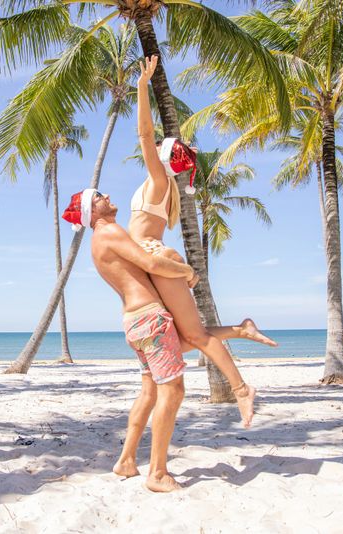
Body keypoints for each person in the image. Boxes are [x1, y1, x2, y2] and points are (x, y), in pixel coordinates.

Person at [130, 55, 277, 428]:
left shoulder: (160, 182)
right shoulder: (165, 188)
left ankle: (242, 389)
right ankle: (241, 329)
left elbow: (144, 134)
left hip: (155, 257)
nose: (154, 147)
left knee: (192, 334)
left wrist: (142, 88)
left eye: (160, 149)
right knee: (181, 340)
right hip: (153, 259)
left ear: (162, 159)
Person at [62, 188, 196, 492]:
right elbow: (152, 264)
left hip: (135, 321)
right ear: (92, 213)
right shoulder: (109, 231)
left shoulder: (99, 241)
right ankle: (158, 473)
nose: (107, 195)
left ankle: (126, 460)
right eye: (98, 196)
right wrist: (187, 271)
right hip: (150, 319)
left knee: (149, 392)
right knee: (172, 391)